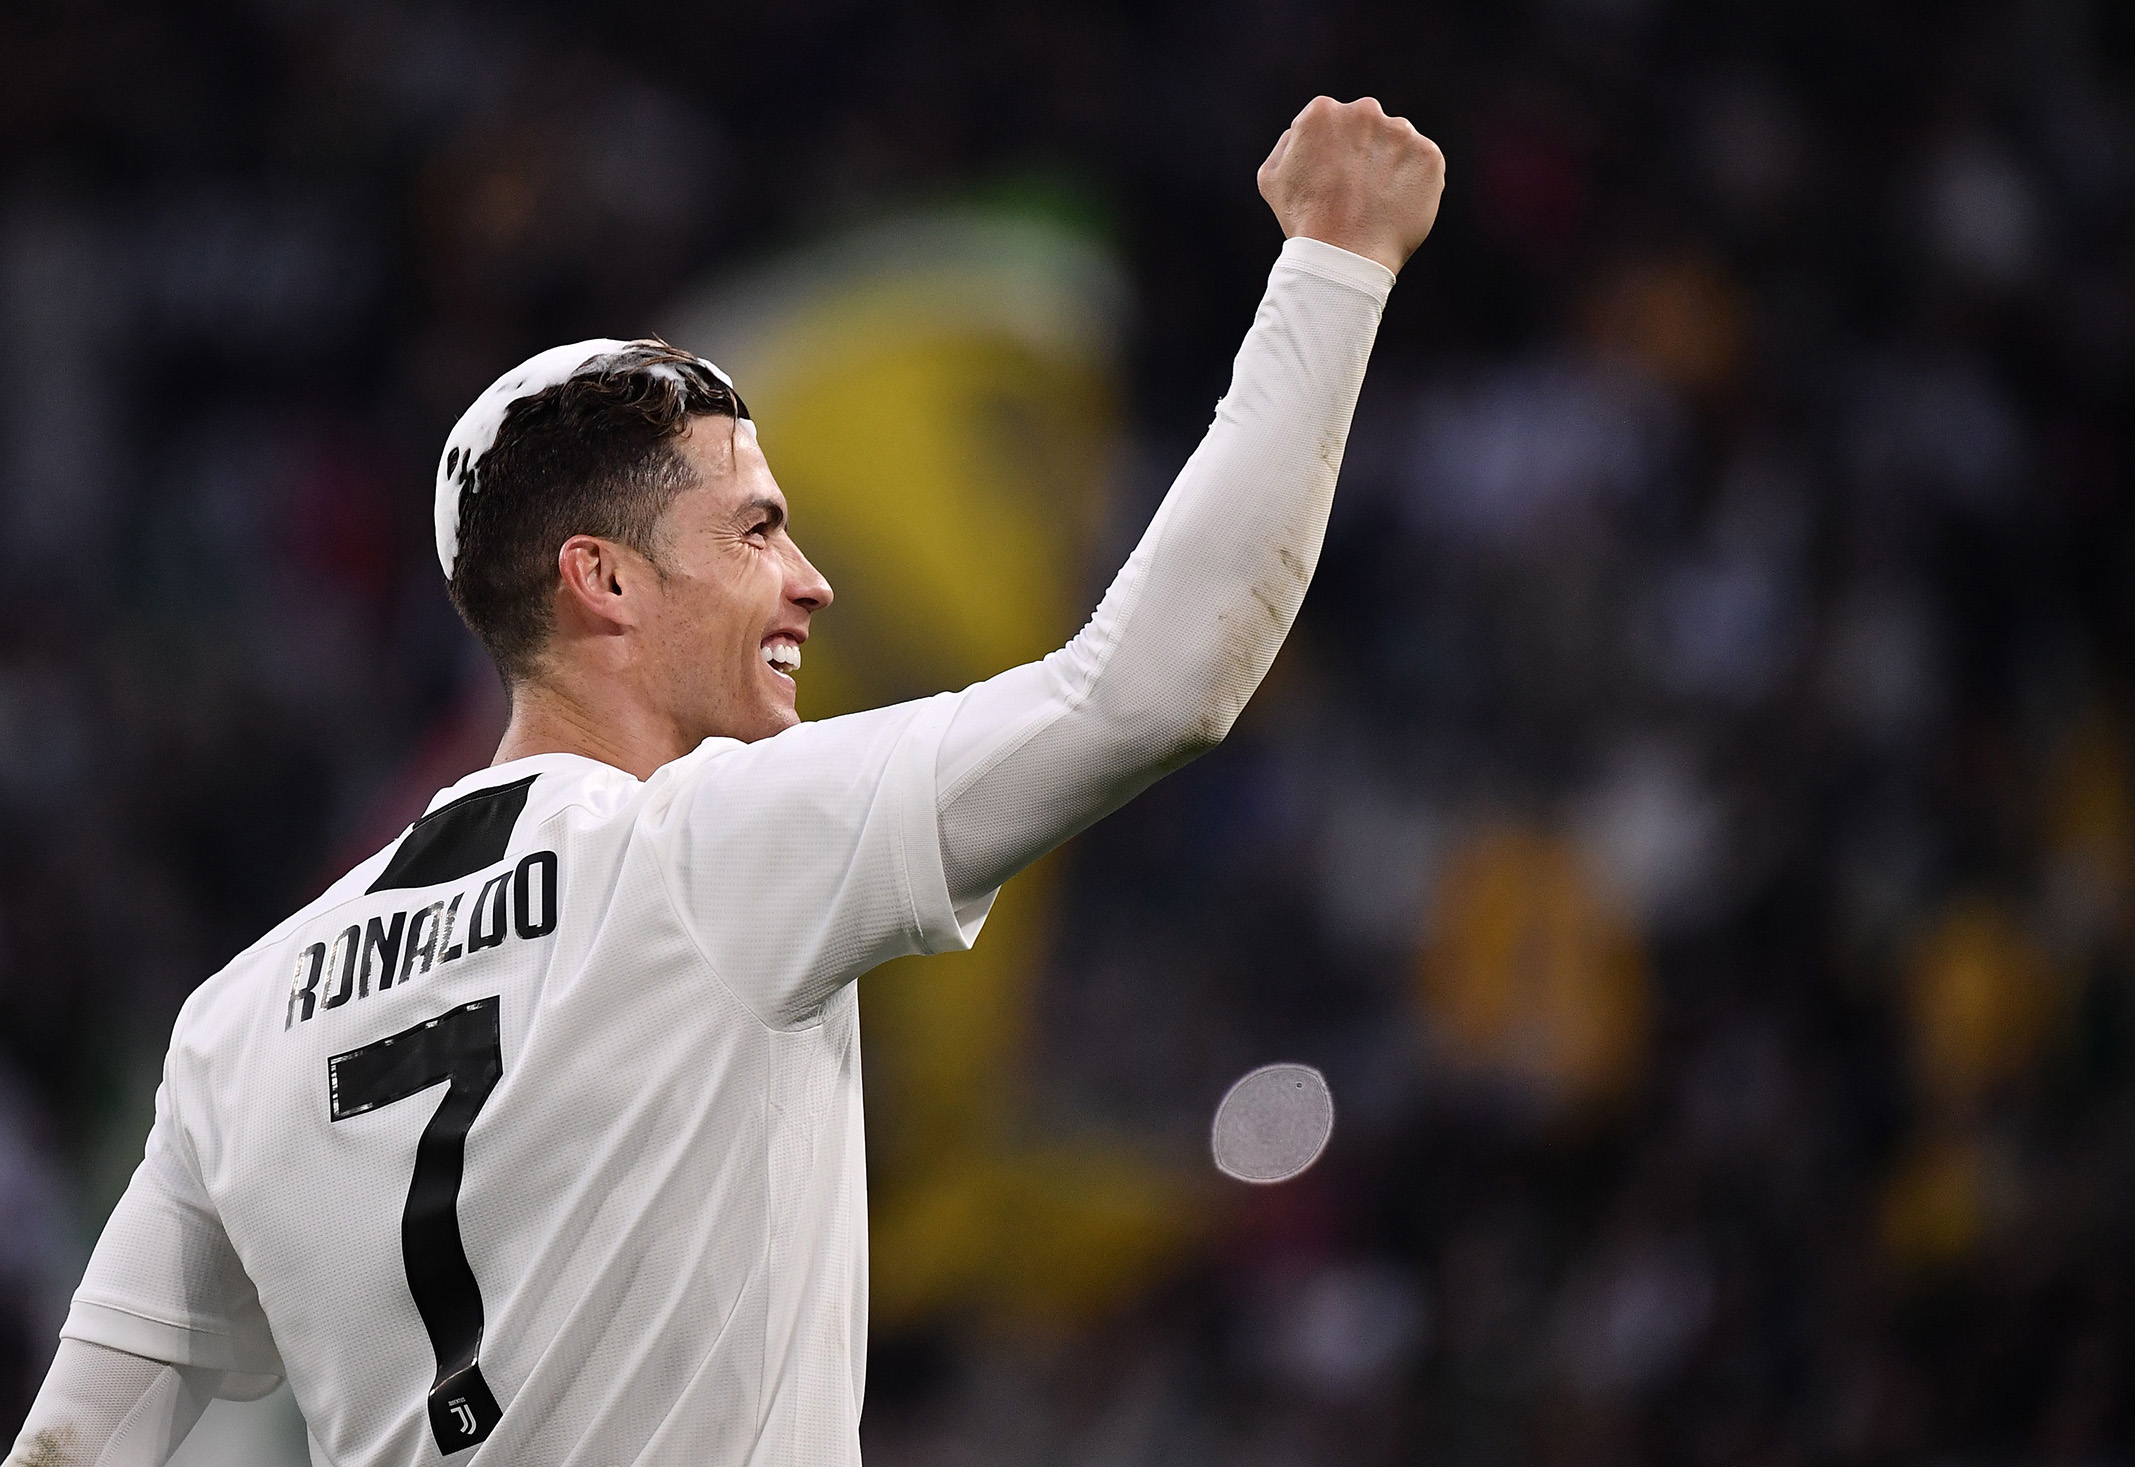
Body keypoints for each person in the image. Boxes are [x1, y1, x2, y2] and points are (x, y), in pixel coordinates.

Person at [8, 96, 1442, 1467]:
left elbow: (77, 1446)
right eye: (756, 532)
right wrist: (1335, 262)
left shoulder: (238, 1019)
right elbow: (1154, 685)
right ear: (605, 581)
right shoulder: (715, 856)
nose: (810, 584)